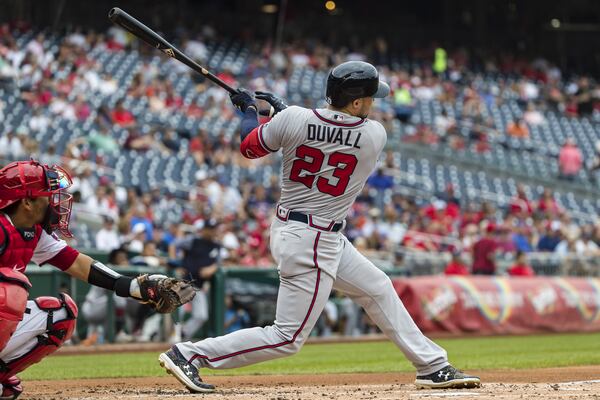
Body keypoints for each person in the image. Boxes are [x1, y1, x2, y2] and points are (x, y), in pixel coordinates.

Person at [159, 61, 480, 392]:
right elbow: (325, 137)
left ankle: (431, 365)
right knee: (288, 337)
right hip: (312, 240)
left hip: (305, 232)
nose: (373, 103)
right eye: (369, 98)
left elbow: (251, 145)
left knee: (378, 287)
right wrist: (284, 115)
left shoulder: (295, 118)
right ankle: (189, 354)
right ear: (356, 102)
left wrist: (250, 111)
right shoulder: (373, 135)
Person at [0, 160, 194, 399]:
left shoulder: (34, 232)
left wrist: (131, 286)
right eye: (46, 195)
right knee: (11, 290)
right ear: (27, 202)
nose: (53, 201)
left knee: (61, 314)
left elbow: (79, 264)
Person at [175, 219, 221, 340]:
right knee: (177, 311)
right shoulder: (194, 240)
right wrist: (177, 264)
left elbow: (219, 262)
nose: (212, 232)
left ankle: (183, 333)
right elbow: (175, 244)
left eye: (214, 229)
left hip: (199, 285)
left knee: (201, 316)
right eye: (210, 229)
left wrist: (213, 268)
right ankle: (171, 337)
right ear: (204, 230)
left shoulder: (216, 245)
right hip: (185, 281)